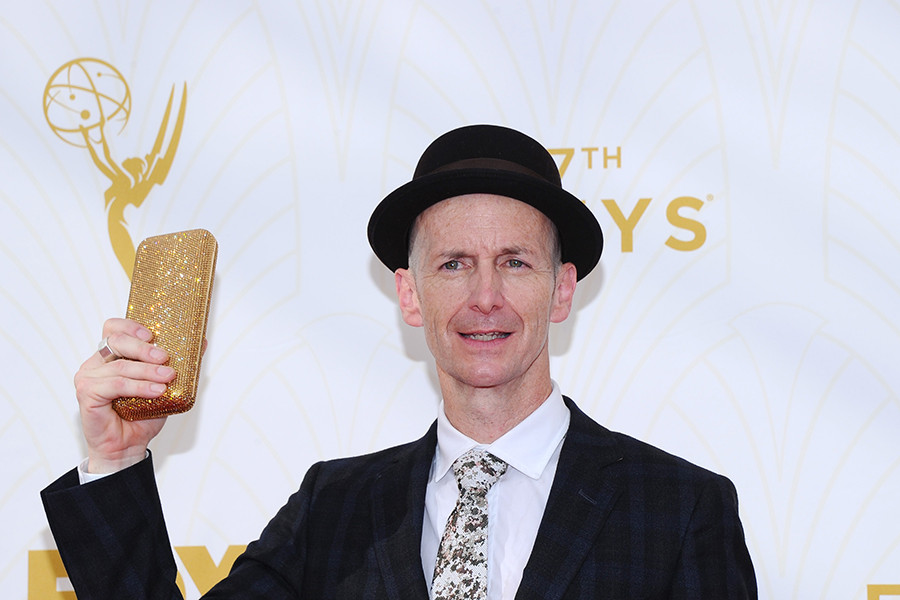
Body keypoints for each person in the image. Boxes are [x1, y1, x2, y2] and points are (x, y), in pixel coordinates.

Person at [42, 124, 757, 599]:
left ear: (561, 289)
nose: (485, 297)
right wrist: (114, 461)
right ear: (410, 295)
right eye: (453, 264)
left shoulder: (681, 508)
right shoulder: (336, 507)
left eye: (515, 262)